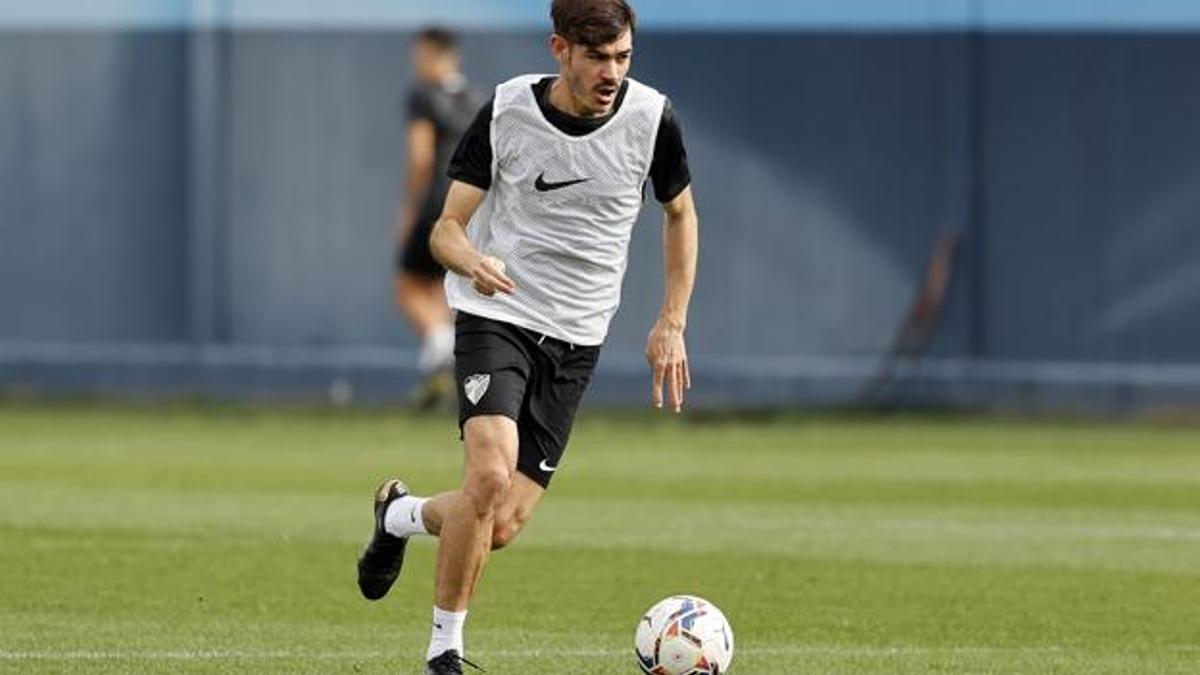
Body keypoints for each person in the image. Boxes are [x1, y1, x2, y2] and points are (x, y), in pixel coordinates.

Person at [358, 1, 697, 672]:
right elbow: (446, 228)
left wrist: (671, 319)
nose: (611, 72)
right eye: (597, 57)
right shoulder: (508, 109)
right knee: (486, 475)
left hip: (578, 336)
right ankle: (444, 649)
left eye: (622, 57)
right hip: (497, 317)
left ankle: (399, 514)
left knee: (502, 522)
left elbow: (680, 212)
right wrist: (470, 260)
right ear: (560, 49)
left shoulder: (652, 118)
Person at [393, 27, 481, 409]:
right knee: (444, 290)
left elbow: (421, 157)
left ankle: (441, 349)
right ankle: (442, 367)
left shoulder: (423, 96)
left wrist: (410, 207)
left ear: (434, 55)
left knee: (409, 285)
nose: (417, 64)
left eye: (420, 57)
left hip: (436, 206)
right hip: (472, 204)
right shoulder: (478, 99)